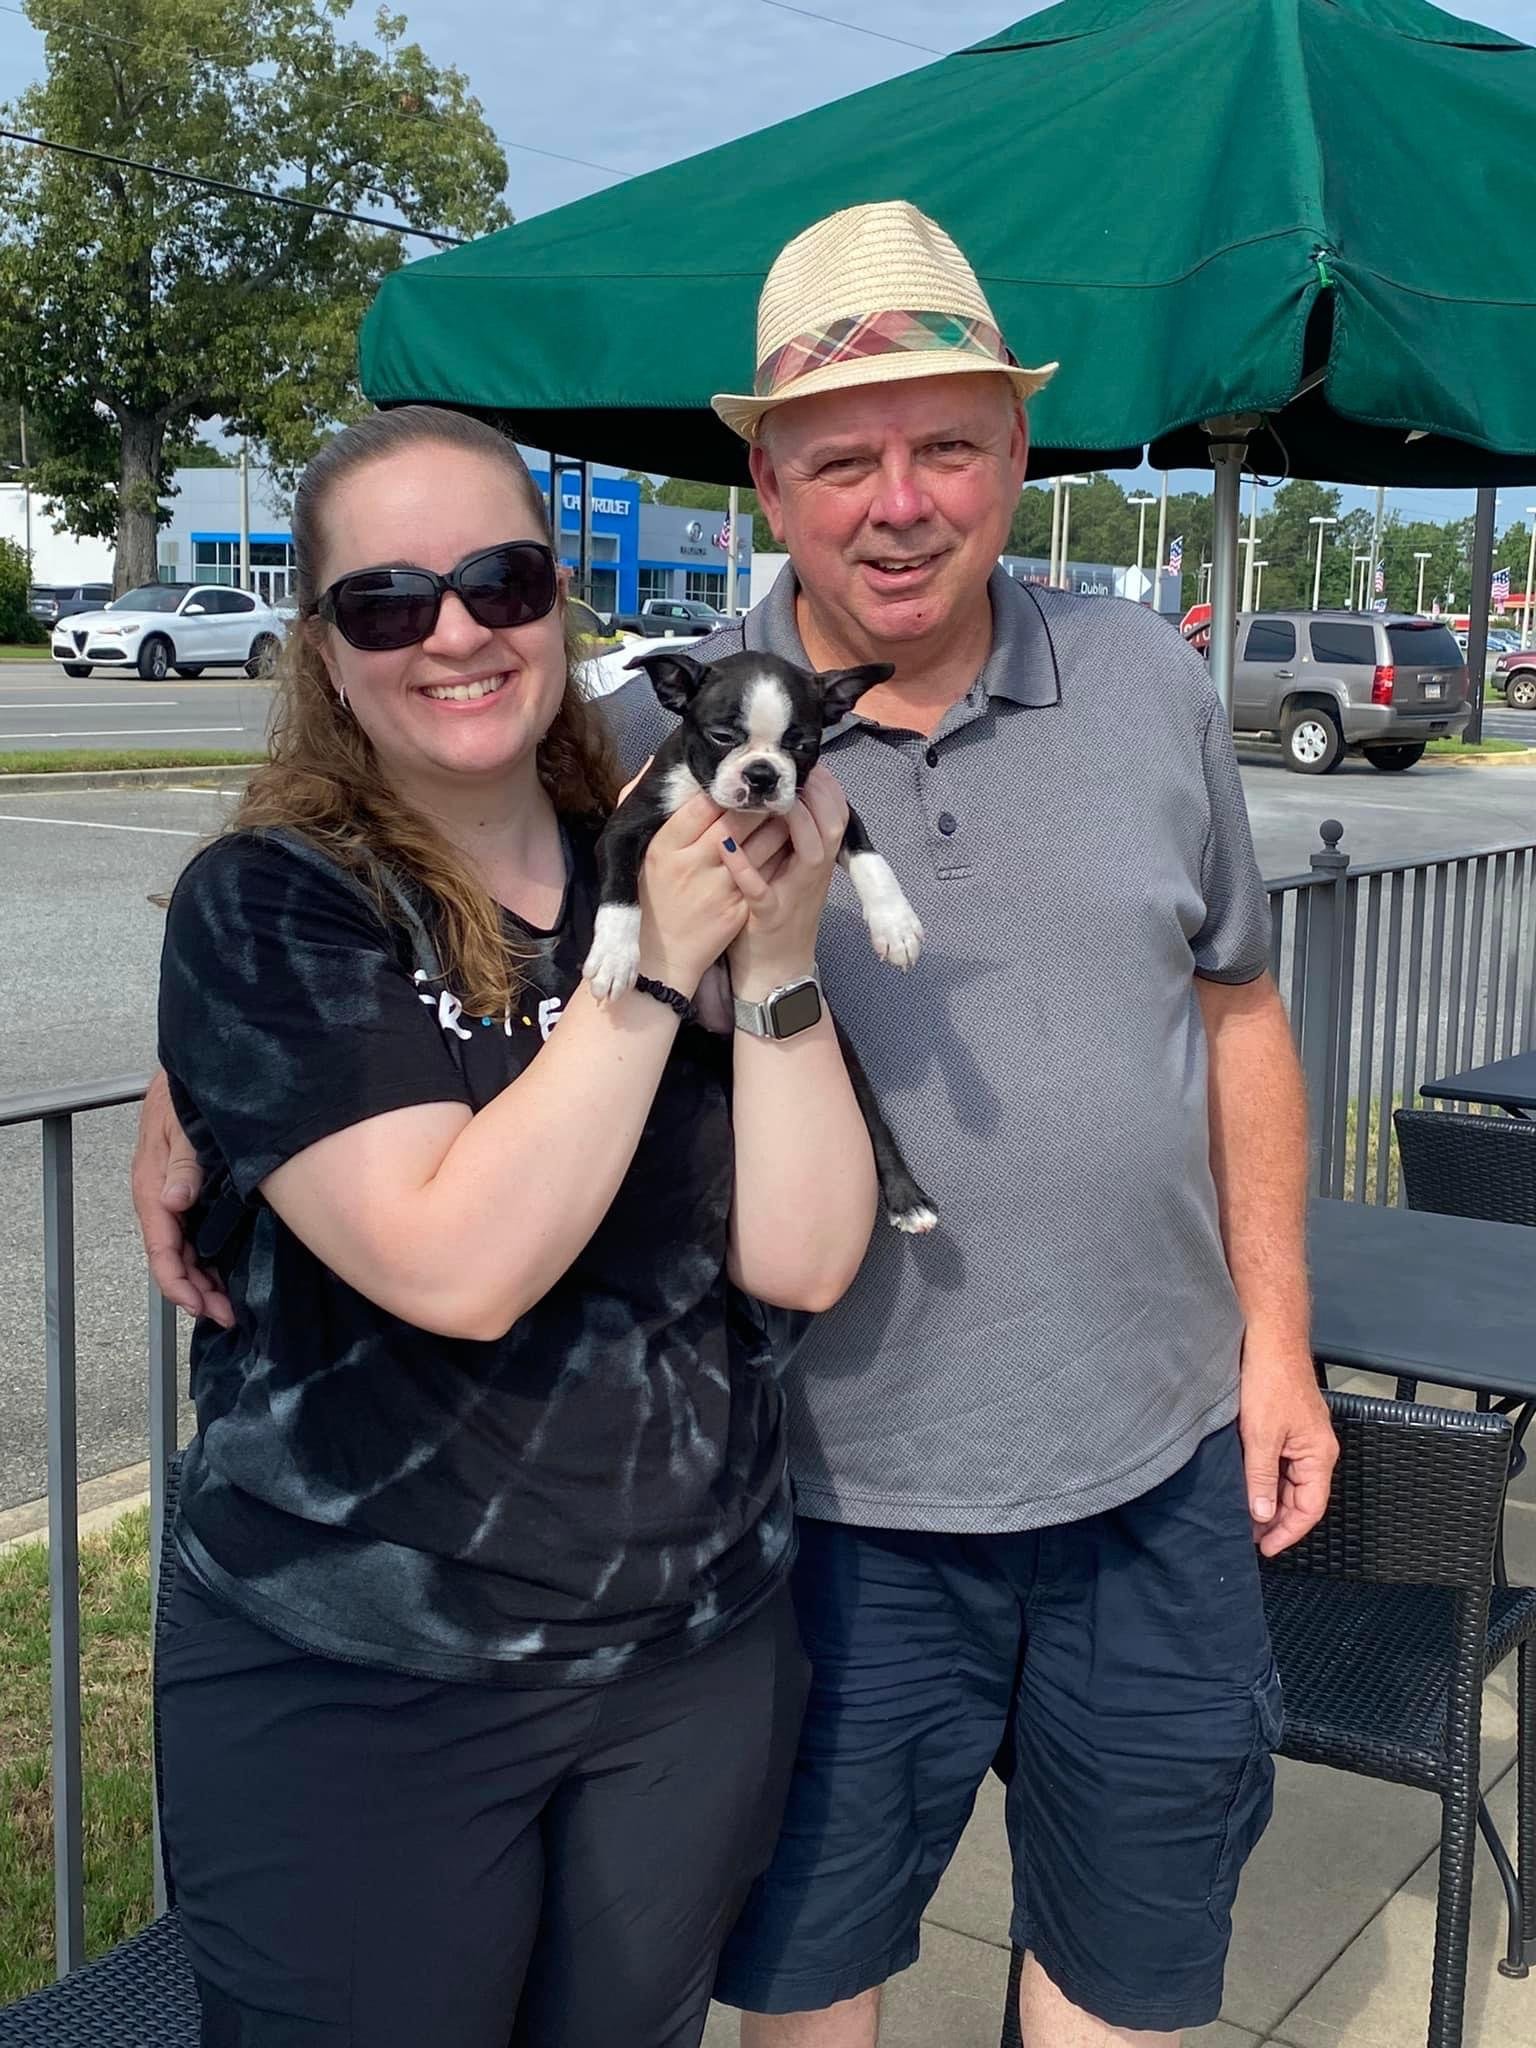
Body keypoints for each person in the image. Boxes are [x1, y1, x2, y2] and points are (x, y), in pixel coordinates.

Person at [137, 204, 1338, 2047]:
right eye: (843, 459)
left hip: (1152, 1477)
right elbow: (391, 814)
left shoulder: (1151, 684)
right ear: (769, 483)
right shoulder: (642, 731)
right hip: (830, 1515)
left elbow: (1241, 1011)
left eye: (949, 445)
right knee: (806, 2000)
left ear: (1021, 455)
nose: (901, 500)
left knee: (1134, 1976)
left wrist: (1279, 1346)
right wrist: (190, 1079)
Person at [147, 401, 878, 2048]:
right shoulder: (278, 903)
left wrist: (776, 958)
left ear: (564, 604)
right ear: (326, 653)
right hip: (366, 1678)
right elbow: (454, 1266)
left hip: (688, 1655)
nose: (458, 632)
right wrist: (655, 974)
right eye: (390, 603)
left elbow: (806, 1254)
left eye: (503, 579)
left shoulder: (669, 844)